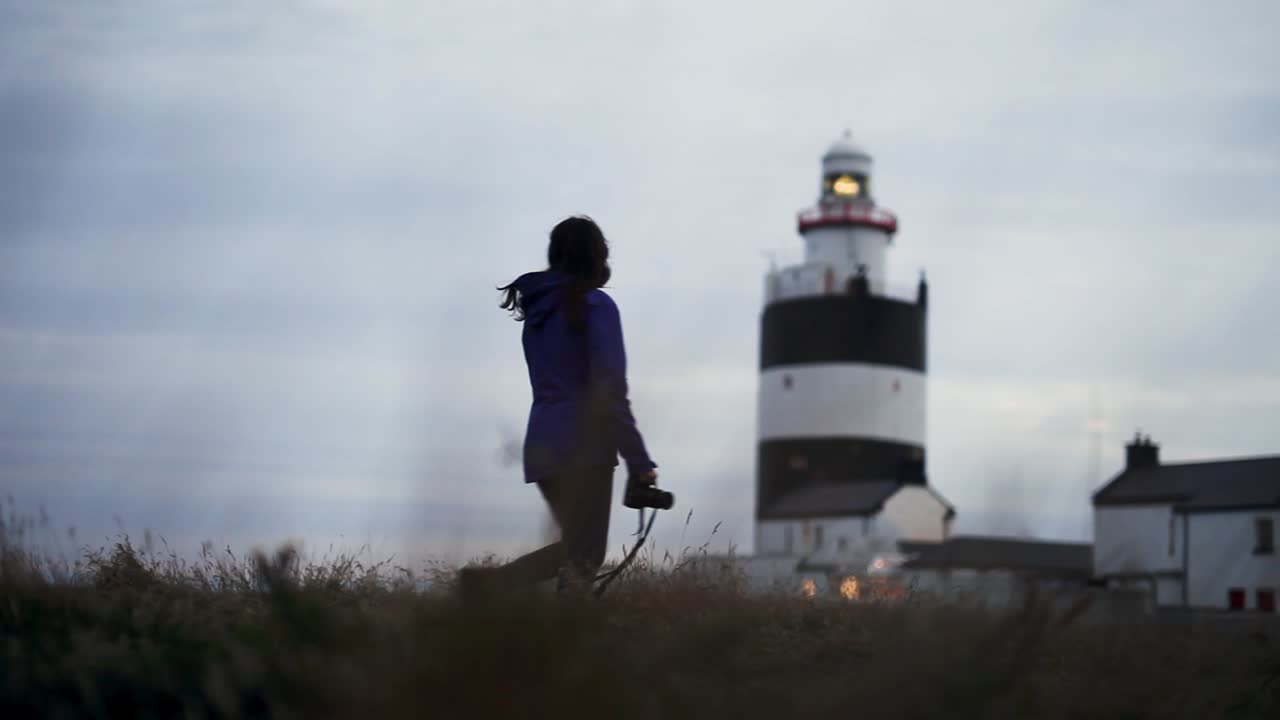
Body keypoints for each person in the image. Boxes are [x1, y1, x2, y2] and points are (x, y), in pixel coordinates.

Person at [460, 215, 657, 599]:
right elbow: (609, 389)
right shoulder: (597, 306)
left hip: (543, 445)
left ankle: (489, 590)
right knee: (584, 552)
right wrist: (640, 461)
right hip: (585, 444)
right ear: (596, 255)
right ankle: (490, 590)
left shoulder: (537, 314)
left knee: (577, 548)